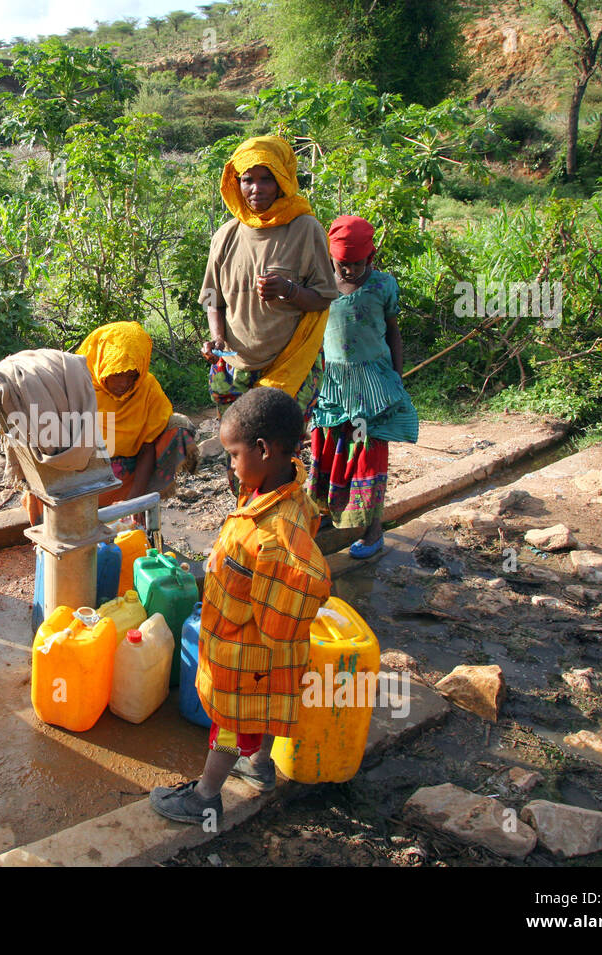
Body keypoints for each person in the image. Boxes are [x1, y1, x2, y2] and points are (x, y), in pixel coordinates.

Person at [150, 387, 330, 824]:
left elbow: (293, 593)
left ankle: (206, 797)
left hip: (248, 652)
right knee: (262, 712)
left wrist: (266, 625)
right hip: (255, 653)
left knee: (231, 726)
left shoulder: (279, 533)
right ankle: (261, 766)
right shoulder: (275, 487)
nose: (229, 465)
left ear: (264, 450)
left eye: (232, 454)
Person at [198, 135, 338, 490]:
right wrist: (217, 336)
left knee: (278, 452)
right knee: (239, 451)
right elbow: (213, 296)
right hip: (234, 364)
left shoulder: (305, 229)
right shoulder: (226, 236)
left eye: (266, 178)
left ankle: (283, 522)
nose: (256, 188)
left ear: (283, 180)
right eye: (247, 179)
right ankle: (245, 518)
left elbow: (324, 296)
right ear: (236, 183)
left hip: (289, 364)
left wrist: (289, 290)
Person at [307, 215, 418, 559]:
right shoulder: (321, 287)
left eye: (356, 264)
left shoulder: (383, 287)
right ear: (331, 259)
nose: (349, 271)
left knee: (365, 455)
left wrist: (396, 377)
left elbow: (393, 332)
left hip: (372, 389)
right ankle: (329, 515)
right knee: (328, 450)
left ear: (370, 259)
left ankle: (372, 531)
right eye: (343, 264)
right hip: (333, 385)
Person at [76, 321, 197, 507]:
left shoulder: (146, 388)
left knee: (178, 427)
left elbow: (147, 447)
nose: (124, 383)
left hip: (131, 470)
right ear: (100, 363)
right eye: (116, 374)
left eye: (131, 375)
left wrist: (135, 501)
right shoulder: (78, 386)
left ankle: (145, 500)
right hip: (82, 473)